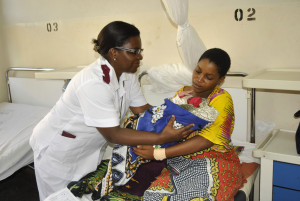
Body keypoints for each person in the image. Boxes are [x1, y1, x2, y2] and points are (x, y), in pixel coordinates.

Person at [29, 21, 194, 201]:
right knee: (59, 198)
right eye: (134, 52)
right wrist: (162, 138)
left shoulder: (127, 73)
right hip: (59, 152)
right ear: (114, 53)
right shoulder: (93, 83)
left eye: (140, 51)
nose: (140, 57)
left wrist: (179, 108)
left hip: (86, 151)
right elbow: (114, 135)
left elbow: (142, 110)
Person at [68, 48, 245, 201]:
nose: (199, 79)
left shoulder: (222, 100)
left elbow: (204, 141)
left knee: (192, 195)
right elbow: (166, 123)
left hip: (212, 160)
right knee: (153, 193)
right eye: (197, 71)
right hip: (179, 158)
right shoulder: (184, 93)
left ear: (220, 80)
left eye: (208, 77)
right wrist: (150, 137)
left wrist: (159, 153)